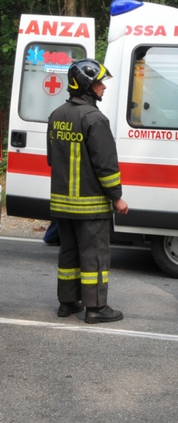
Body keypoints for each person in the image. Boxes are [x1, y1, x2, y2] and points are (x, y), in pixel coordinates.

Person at [47, 58, 128, 324]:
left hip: (62, 203)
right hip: (90, 204)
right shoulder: (94, 118)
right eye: (99, 83)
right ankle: (95, 308)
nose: (103, 87)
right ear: (86, 85)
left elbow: (52, 159)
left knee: (68, 252)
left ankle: (67, 303)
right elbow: (106, 166)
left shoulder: (57, 115)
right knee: (94, 255)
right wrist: (116, 197)